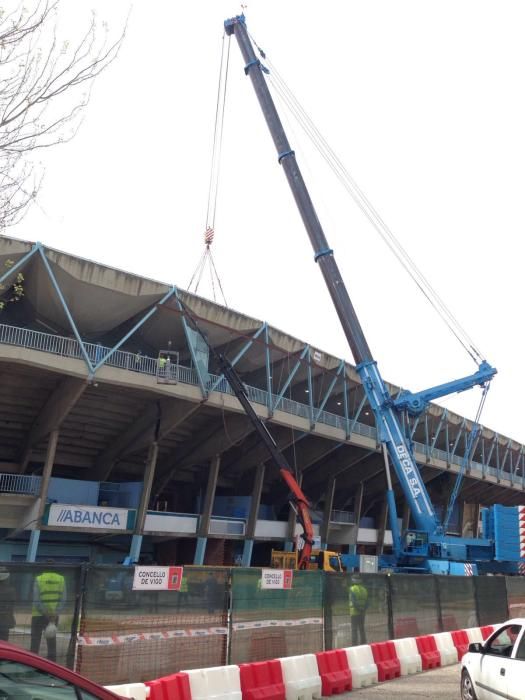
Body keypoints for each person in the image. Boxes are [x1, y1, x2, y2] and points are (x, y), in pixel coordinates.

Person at [31, 563, 66, 661]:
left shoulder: (39, 579)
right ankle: (52, 665)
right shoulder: (61, 579)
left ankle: (32, 664)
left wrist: (44, 612)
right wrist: (55, 612)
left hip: (38, 615)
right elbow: (63, 599)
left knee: (35, 641)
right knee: (51, 642)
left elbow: (36, 599)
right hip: (54, 616)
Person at [349, 574, 368, 645]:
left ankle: (354, 643)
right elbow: (367, 602)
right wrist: (363, 610)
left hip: (354, 612)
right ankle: (363, 642)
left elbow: (353, 602)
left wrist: (358, 609)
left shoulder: (352, 589)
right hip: (362, 613)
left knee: (354, 629)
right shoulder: (364, 589)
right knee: (361, 628)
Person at [0, 566, 16, 641]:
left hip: (5, 620)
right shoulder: (11, 590)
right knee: (4, 641)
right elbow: (12, 606)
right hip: (5, 621)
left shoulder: (10, 590)